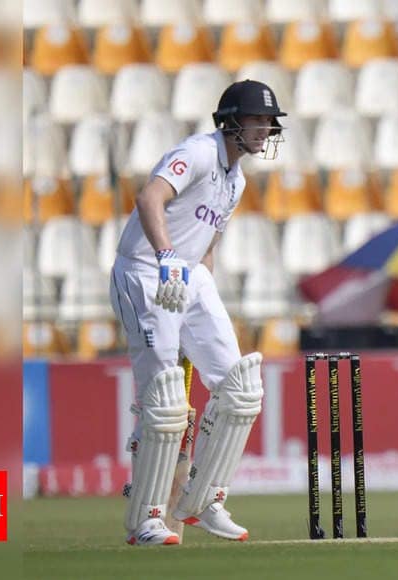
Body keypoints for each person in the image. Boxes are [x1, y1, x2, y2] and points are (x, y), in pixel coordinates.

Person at [109, 79, 285, 546]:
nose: (267, 129)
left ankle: (202, 501)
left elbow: (208, 244)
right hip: (146, 269)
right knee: (164, 399)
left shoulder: (238, 179)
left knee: (240, 388)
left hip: (189, 274)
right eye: (259, 120)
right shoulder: (200, 152)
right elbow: (150, 198)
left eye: (270, 122)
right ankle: (146, 518)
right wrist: (166, 255)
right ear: (232, 121)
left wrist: (196, 286)